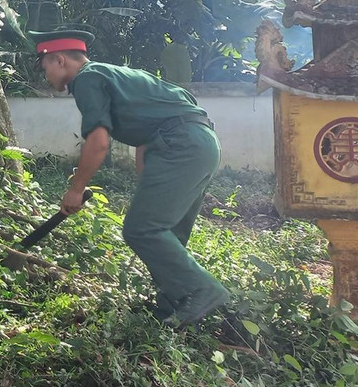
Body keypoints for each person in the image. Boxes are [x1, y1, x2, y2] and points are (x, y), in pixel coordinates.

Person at [34, 28, 231, 327]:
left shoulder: (86, 79)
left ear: (59, 60)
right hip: (200, 142)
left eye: (44, 66)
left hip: (180, 145)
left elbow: (98, 142)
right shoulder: (116, 74)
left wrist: (76, 189)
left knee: (142, 230)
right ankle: (173, 305)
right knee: (169, 231)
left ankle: (202, 289)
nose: (45, 75)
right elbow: (153, 121)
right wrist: (149, 176)